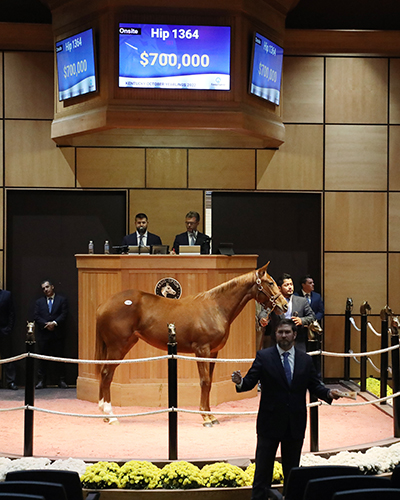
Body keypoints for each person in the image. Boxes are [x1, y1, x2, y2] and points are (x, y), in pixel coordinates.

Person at [231, 318, 342, 499]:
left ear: (294, 335)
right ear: (275, 335)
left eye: (287, 332)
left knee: (292, 475)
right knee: (262, 474)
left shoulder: (305, 360)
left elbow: (315, 386)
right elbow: (249, 382)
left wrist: (329, 394)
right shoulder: (264, 357)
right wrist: (240, 381)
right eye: (280, 332)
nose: (283, 335)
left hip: (295, 425)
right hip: (269, 425)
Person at [258, 273, 314, 352]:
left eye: (291, 284)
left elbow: (312, 317)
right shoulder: (273, 301)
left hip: (298, 342)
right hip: (277, 341)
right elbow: (264, 312)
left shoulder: (302, 301)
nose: (290, 287)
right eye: (286, 285)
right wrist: (263, 319)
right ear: (279, 288)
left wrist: (302, 321)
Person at [34, 280, 68, 389]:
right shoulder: (39, 302)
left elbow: (64, 314)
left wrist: (54, 323)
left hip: (57, 334)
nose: (46, 290)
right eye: (43, 288)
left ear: (52, 287)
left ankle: (61, 380)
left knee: (59, 358)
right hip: (43, 334)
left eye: (47, 287)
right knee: (42, 359)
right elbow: (36, 316)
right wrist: (46, 324)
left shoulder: (61, 300)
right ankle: (41, 381)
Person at [0, 289, 17, 390]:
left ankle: (11, 381)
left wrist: (8, 329)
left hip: (3, 331)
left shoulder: (6, 294)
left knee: (8, 357)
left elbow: (12, 313)